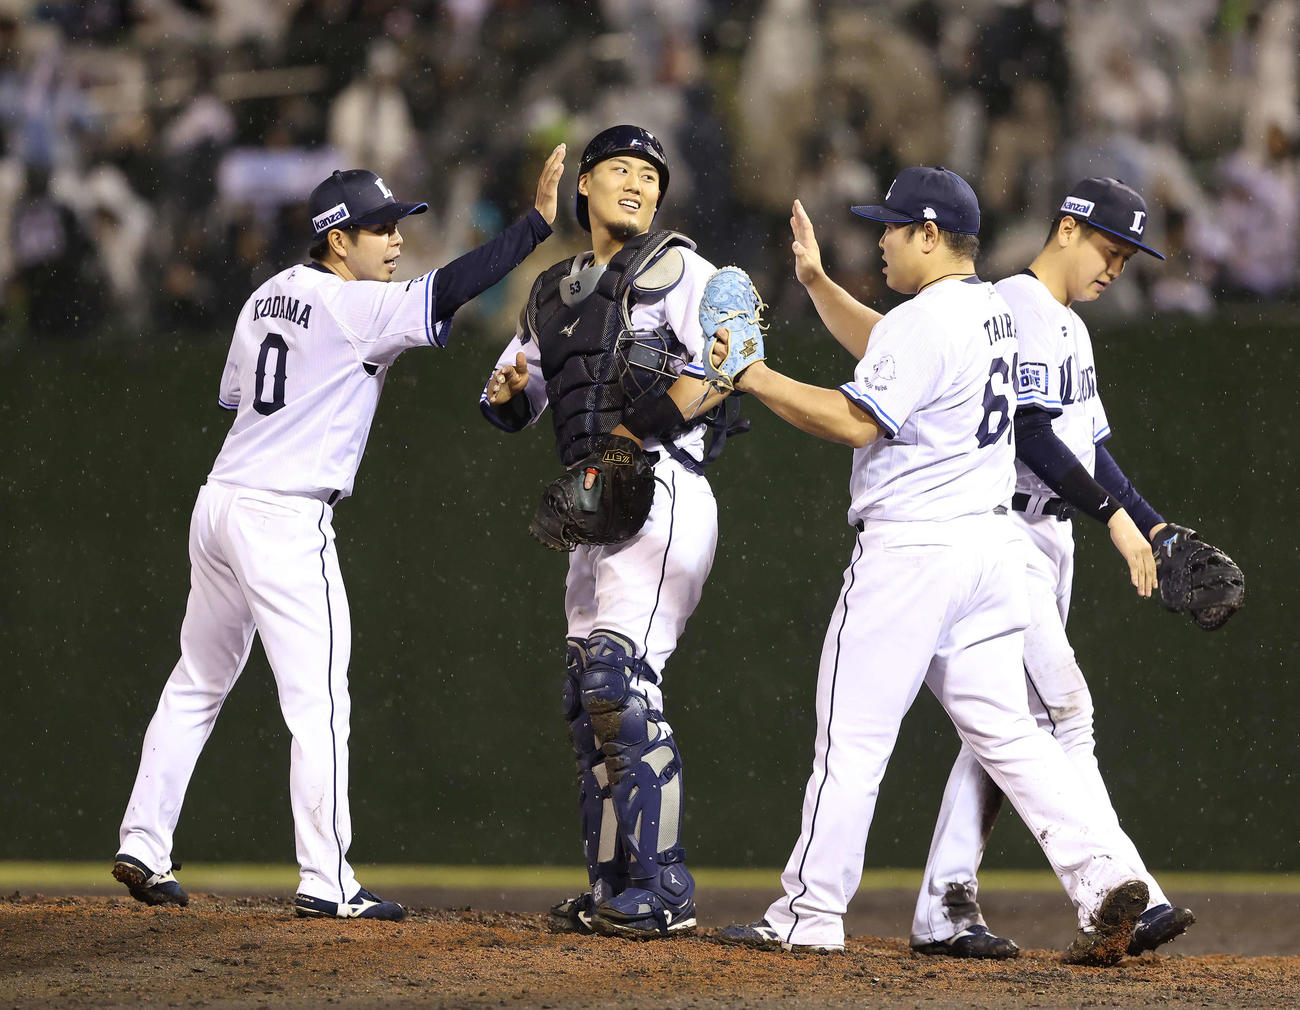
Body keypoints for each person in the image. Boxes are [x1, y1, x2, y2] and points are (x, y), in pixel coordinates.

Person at [112, 147, 567, 919]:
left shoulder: (263, 298)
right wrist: (534, 228)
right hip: (285, 515)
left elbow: (236, 399)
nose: (394, 240)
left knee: (196, 680)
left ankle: (143, 841)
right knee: (319, 701)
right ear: (336, 241)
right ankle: (327, 880)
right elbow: (452, 287)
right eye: (378, 229)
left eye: (396, 226)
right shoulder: (353, 306)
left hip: (221, 501)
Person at [715, 167, 1153, 966]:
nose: (877, 239)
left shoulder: (927, 320)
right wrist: (814, 284)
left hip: (912, 555)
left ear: (925, 233)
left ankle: (810, 913)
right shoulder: (987, 308)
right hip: (988, 557)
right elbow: (891, 351)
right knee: (1012, 736)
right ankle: (1103, 876)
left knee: (853, 741)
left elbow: (855, 419)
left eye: (889, 227)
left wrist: (754, 376)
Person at [910, 178, 1195, 959]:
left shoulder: (1072, 326)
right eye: (1110, 248)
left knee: (1007, 726)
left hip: (1052, 537)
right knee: (1066, 713)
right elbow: (1031, 434)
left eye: (1128, 258)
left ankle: (945, 902)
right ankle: (1126, 890)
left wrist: (1152, 521)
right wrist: (1113, 519)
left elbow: (1088, 445)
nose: (1117, 267)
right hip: (1004, 532)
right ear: (1067, 227)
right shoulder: (1013, 305)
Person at [479, 125, 735, 939]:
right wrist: (505, 391)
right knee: (585, 696)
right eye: (619, 170)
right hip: (596, 506)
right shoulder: (552, 292)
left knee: (616, 686)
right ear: (583, 185)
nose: (637, 185)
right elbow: (519, 404)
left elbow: (732, 366)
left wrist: (637, 431)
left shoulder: (690, 272)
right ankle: (612, 885)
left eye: (650, 176)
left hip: (664, 487)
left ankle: (665, 890)